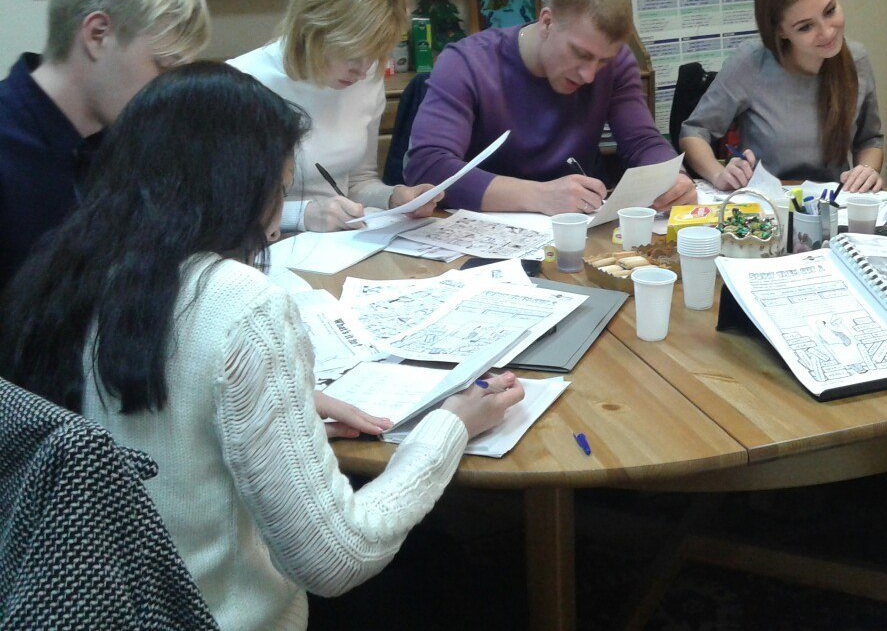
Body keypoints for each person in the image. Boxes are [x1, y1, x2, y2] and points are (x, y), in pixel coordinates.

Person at [0, 63, 525, 631]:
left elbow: (145, 419)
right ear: (241, 190)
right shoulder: (239, 304)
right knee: (456, 578)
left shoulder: (70, 267)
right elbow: (336, 559)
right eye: (280, 188)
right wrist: (450, 427)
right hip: (212, 614)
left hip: (91, 596)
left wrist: (272, 408)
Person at [0, 0, 210, 292]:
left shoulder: (128, 138)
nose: (170, 89)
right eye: (162, 66)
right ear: (98, 35)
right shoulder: (10, 151)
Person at [404, 0, 696, 215]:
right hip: (484, 230)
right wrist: (539, 196)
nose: (589, 75)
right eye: (580, 54)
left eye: (603, 61)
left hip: (575, 227)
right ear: (547, 22)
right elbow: (428, 166)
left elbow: (642, 142)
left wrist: (673, 178)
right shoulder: (467, 63)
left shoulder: (618, 64)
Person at [229, 0, 440, 232]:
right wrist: (302, 215)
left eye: (376, 55)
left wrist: (394, 197)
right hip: (262, 243)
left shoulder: (366, 77)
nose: (362, 71)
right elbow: (218, 208)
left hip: (338, 243)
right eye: (352, 54)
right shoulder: (239, 84)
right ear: (311, 31)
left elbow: (358, 182)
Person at [680, 0, 885, 192]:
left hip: (831, 201)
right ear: (780, 31)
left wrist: (866, 171)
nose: (827, 32)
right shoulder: (751, 62)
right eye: (805, 27)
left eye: (830, 11)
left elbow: (870, 140)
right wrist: (719, 174)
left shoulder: (856, 59)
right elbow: (694, 132)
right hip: (766, 200)